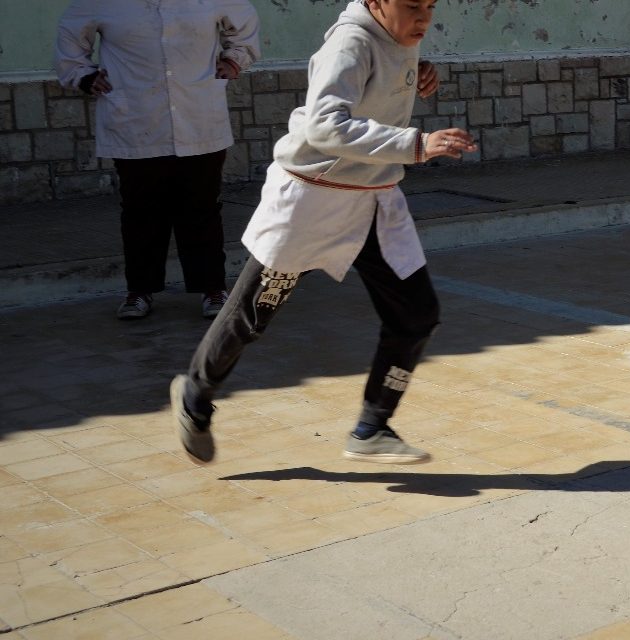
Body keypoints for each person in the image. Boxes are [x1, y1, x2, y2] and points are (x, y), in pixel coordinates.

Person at [169, 0, 478, 465]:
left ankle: (373, 427)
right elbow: (324, 125)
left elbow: (376, 83)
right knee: (253, 316)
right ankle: (195, 392)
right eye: (412, 5)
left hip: (373, 199)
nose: (424, 18)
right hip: (312, 200)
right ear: (376, 2)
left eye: (430, 5)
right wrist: (417, 144)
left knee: (417, 313)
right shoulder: (350, 41)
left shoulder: (399, 37)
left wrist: (417, 73)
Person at [55, 0, 260, 320]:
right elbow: (71, 39)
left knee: (202, 208)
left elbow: (244, 25)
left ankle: (213, 289)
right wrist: (82, 75)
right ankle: (139, 291)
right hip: (135, 120)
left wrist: (235, 59)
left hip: (198, 117)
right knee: (140, 211)